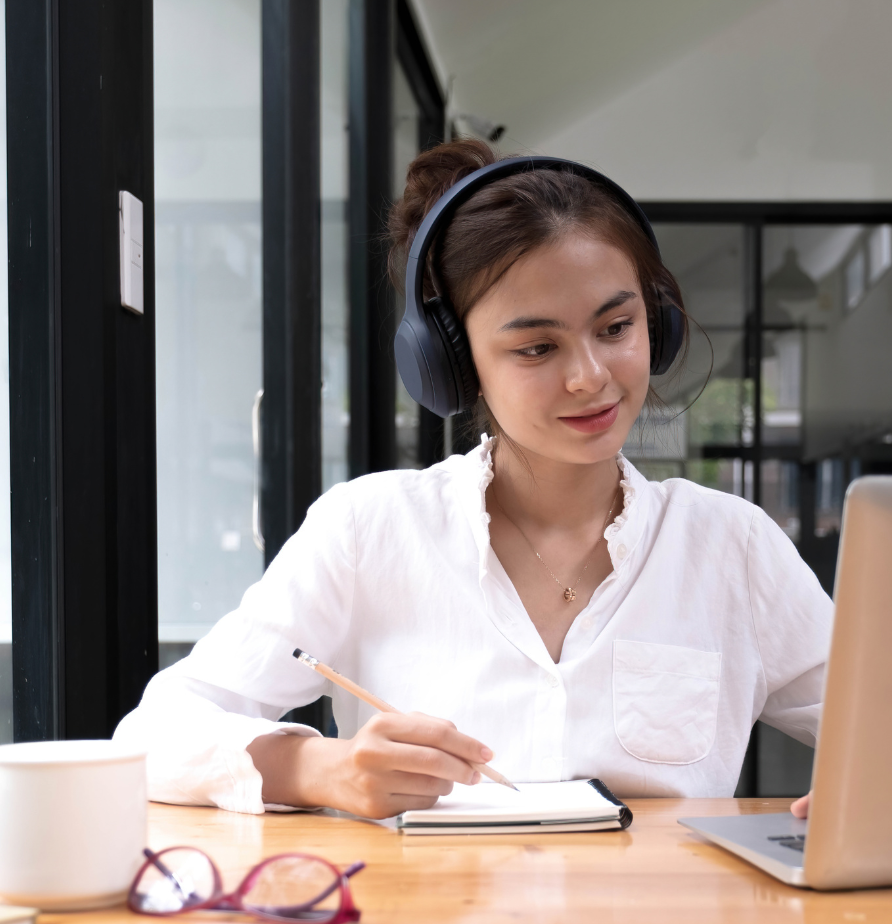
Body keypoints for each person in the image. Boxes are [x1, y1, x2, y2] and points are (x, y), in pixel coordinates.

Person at [113, 140, 832, 820]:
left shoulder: (731, 547)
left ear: (659, 323)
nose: (591, 377)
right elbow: (149, 738)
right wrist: (323, 770)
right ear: (454, 365)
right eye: (538, 346)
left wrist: (868, 790)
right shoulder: (370, 530)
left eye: (616, 328)